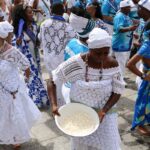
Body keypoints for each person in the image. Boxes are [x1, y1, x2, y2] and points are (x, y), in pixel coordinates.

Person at [48, 28, 125, 150]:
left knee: (108, 144)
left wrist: (104, 110)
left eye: (106, 53)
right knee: (82, 144)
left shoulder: (112, 64)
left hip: (105, 114)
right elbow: (52, 80)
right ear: (90, 49)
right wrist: (54, 105)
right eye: (98, 53)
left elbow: (118, 90)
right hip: (79, 114)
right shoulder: (77, 63)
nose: (102, 57)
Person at [0, 21, 41, 150]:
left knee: (12, 113)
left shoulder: (12, 52)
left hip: (11, 87)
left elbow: (26, 66)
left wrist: (25, 81)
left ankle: (15, 138)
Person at [39, 3, 76, 106]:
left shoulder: (44, 24)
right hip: (61, 58)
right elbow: (73, 42)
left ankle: (54, 102)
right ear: (63, 12)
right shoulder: (68, 27)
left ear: (51, 10)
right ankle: (61, 105)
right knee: (61, 81)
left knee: (52, 79)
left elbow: (40, 39)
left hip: (48, 57)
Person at [12, 4, 49, 107]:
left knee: (37, 77)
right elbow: (15, 48)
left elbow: (38, 40)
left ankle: (40, 99)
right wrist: (19, 43)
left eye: (32, 12)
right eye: (29, 12)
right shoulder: (18, 31)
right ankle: (35, 101)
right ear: (23, 15)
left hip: (35, 57)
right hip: (27, 60)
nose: (32, 14)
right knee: (32, 79)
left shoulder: (34, 25)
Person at [127, 21, 150, 136]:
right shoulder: (147, 45)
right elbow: (129, 64)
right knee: (142, 102)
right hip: (147, 79)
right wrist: (143, 76)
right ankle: (140, 124)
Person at [112, 0, 137, 83]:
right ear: (123, 8)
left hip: (126, 44)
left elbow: (128, 27)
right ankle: (120, 80)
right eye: (128, 7)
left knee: (124, 61)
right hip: (120, 44)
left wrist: (133, 33)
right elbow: (119, 29)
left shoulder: (126, 16)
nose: (130, 9)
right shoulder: (119, 16)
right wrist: (130, 28)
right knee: (121, 62)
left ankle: (121, 76)